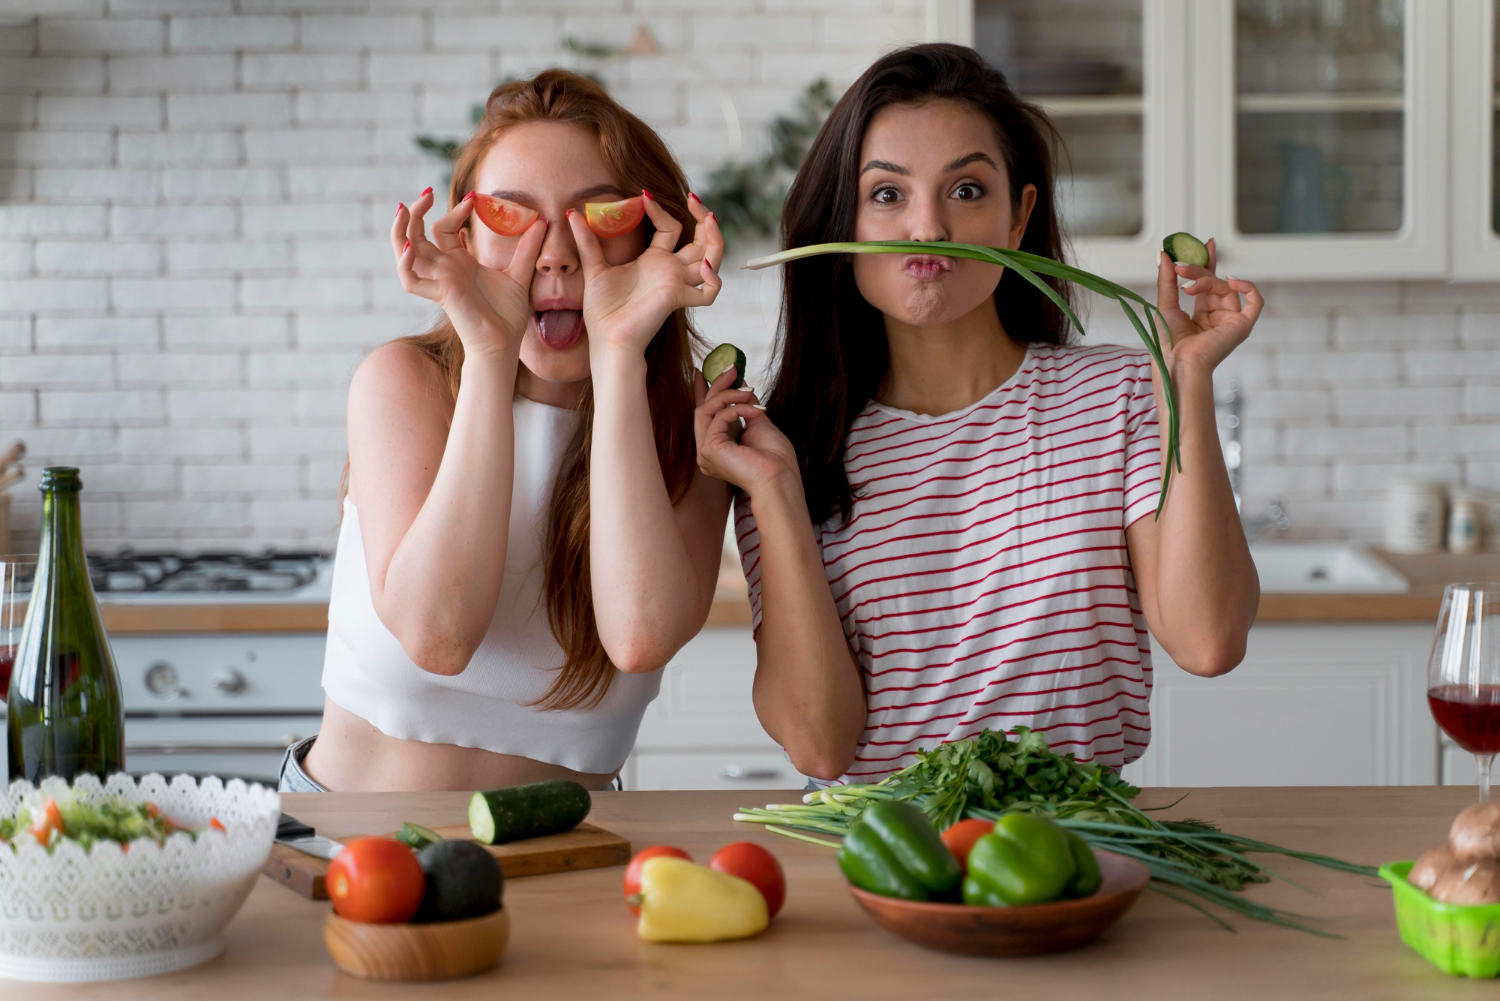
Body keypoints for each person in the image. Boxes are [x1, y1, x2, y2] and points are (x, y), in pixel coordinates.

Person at [695, 44, 1263, 786]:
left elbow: (1208, 639)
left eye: (965, 190)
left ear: (1018, 216)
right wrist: (774, 491)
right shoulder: (791, 450)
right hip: (880, 863)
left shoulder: (1122, 398)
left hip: (1073, 854)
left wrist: (1185, 379)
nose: (926, 228)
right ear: (843, 219)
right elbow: (820, 747)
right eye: (888, 195)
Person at [281, 70, 729, 793]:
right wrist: (488, 351)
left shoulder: (690, 428)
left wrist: (618, 356)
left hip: (575, 859)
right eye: (512, 215)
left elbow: (639, 637)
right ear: (468, 238)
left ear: (651, 235)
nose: (554, 253)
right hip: (350, 843)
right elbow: (439, 633)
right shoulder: (404, 384)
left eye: (598, 215)